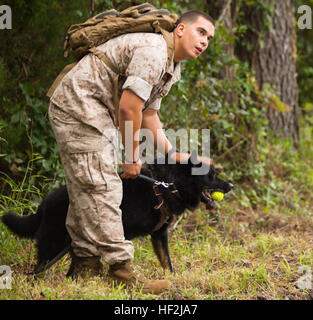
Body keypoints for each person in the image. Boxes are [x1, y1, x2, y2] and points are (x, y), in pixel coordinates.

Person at [48, 9, 215, 294]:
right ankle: (121, 270)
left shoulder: (171, 65)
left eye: (209, 38)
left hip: (92, 110)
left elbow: (149, 115)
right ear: (180, 30)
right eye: (201, 32)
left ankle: (85, 266)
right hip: (79, 106)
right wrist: (132, 156)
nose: (205, 41)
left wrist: (176, 156)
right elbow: (128, 108)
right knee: (104, 187)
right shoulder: (154, 51)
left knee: (86, 187)